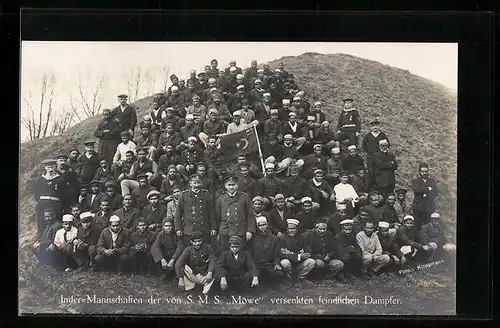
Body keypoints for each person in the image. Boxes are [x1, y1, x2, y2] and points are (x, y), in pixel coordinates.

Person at [175, 175, 216, 245]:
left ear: (201, 184)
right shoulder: (184, 195)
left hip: (203, 229)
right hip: (189, 230)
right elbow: (178, 213)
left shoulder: (206, 194)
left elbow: (211, 213)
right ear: (190, 184)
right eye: (194, 183)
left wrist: (213, 228)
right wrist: (178, 228)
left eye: (198, 183)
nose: (196, 185)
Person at [34, 159, 66, 234]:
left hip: (55, 204)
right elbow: (36, 193)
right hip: (42, 204)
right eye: (48, 167)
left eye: (52, 167)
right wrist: (40, 201)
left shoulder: (60, 180)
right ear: (45, 167)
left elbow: (64, 194)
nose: (50, 169)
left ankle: (54, 238)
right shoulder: (40, 180)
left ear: (55, 167)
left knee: (55, 220)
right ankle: (41, 237)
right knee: (41, 220)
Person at [249, 216, 284, 282]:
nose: (262, 227)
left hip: (269, 265)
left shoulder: (274, 238)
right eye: (260, 225)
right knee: (250, 276)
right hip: (257, 266)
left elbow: (276, 254)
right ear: (257, 227)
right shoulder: (253, 239)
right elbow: (250, 255)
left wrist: (276, 263)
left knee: (279, 274)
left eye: (264, 225)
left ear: (267, 225)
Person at [412, 163, 439, 229]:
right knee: (417, 225)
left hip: (429, 207)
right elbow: (417, 190)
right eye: (422, 171)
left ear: (428, 171)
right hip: (418, 207)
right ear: (419, 172)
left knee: (428, 225)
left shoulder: (431, 181)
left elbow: (435, 192)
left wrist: (423, 191)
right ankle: (417, 239)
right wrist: (428, 189)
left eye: (426, 171)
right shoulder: (416, 181)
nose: (424, 173)